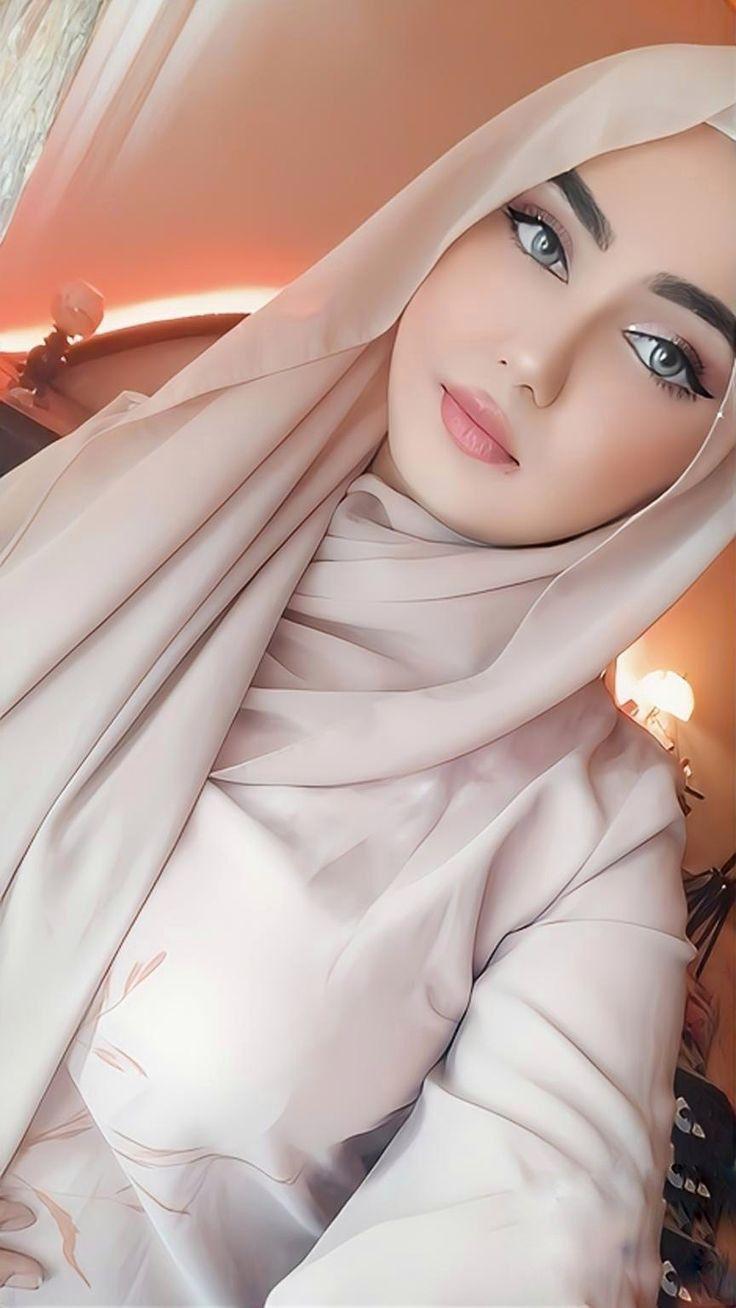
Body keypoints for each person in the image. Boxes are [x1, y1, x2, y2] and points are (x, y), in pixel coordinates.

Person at [0, 42, 734, 1307]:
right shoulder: (122, 488)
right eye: (542, 237)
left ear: (709, 469)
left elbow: (532, 1234)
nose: (535, 358)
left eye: (665, 355)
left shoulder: (588, 835)